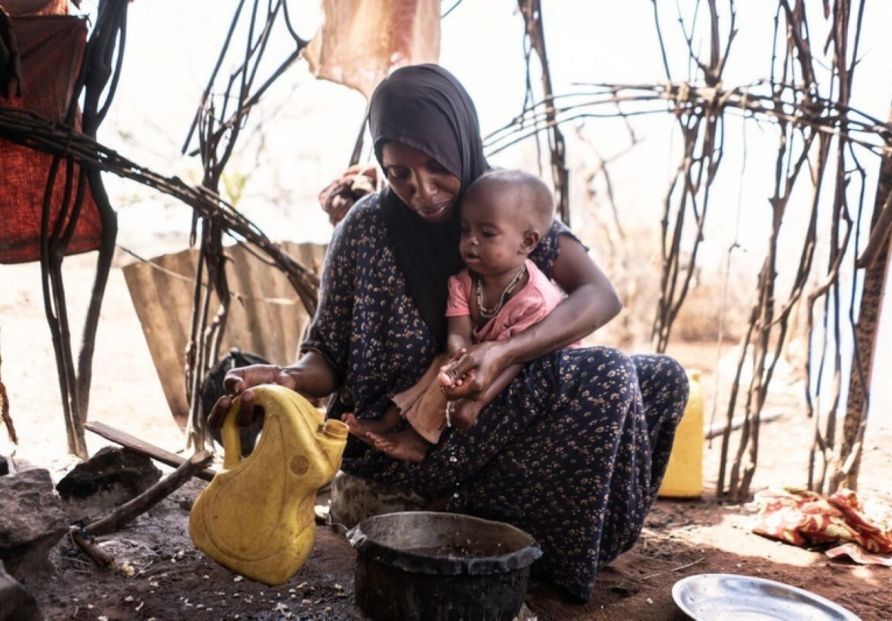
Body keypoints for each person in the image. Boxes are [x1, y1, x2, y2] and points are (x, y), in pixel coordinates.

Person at [209, 63, 688, 602]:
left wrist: (504, 352)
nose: (422, 190)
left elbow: (600, 295)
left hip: (490, 416)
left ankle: (564, 543)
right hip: (403, 444)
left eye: (437, 167)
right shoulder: (365, 229)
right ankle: (530, 567)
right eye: (399, 174)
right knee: (607, 370)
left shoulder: (501, 204)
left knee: (661, 378)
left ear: (462, 144)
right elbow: (326, 356)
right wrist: (287, 378)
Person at [344, 169, 577, 462]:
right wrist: (459, 361)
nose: (471, 241)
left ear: (527, 243)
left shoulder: (535, 300)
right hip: (481, 358)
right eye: (465, 230)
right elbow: (458, 333)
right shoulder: (463, 283)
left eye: (487, 233)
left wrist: (475, 402)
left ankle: (418, 441)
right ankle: (387, 422)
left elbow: (516, 360)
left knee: (461, 382)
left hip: (529, 369)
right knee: (440, 364)